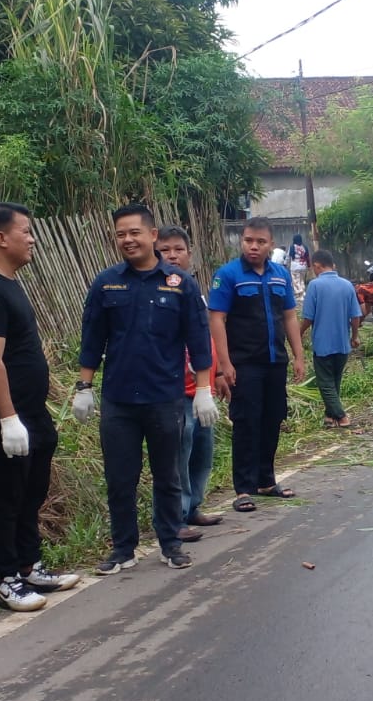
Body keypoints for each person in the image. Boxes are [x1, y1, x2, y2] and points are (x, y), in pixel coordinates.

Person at [76, 204, 215, 575]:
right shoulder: (106, 282)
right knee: (120, 478)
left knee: (168, 474)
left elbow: (198, 339)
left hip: (165, 398)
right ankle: (123, 548)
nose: (127, 240)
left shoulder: (179, 284)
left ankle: (170, 543)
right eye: (120, 233)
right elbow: (92, 338)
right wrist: (83, 387)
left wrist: (204, 389)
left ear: (153, 235)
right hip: (119, 400)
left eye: (134, 232)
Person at [0, 203, 80, 612]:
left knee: (31, 488)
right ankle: (6, 578)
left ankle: (29, 565)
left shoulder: (8, 283)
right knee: (4, 493)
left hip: (30, 410)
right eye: (25, 231)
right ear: (1, 238)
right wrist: (8, 420)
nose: (32, 239)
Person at [208, 216, 306, 513]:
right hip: (244, 363)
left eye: (260, 242)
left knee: (272, 418)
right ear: (242, 241)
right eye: (249, 240)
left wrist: (299, 356)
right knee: (246, 423)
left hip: (275, 360)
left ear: (271, 245)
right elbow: (217, 319)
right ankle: (243, 488)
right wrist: (224, 365)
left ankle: (266, 480)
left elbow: (289, 316)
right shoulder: (228, 275)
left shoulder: (280, 275)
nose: (254, 246)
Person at [157, 226, 226, 535]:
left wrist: (219, 374)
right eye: (164, 250)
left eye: (178, 250)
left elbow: (205, 337)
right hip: (176, 392)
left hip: (202, 389)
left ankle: (193, 506)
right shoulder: (156, 290)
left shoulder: (193, 290)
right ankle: (175, 517)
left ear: (190, 254)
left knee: (202, 451)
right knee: (177, 458)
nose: (172, 255)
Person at [300, 250, 363, 428]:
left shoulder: (315, 285)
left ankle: (342, 416)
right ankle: (330, 416)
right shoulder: (347, 285)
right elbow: (355, 315)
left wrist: (297, 334)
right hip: (343, 344)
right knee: (335, 380)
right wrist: (355, 336)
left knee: (325, 383)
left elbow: (308, 318)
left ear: (317, 266)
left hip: (323, 344)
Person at [288, 233, 310, 297]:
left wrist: (286, 264)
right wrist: (309, 266)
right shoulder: (305, 247)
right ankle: (303, 292)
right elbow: (307, 257)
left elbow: (288, 257)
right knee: (301, 279)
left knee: (295, 280)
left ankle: (298, 293)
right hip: (303, 266)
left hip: (295, 266)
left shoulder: (292, 247)